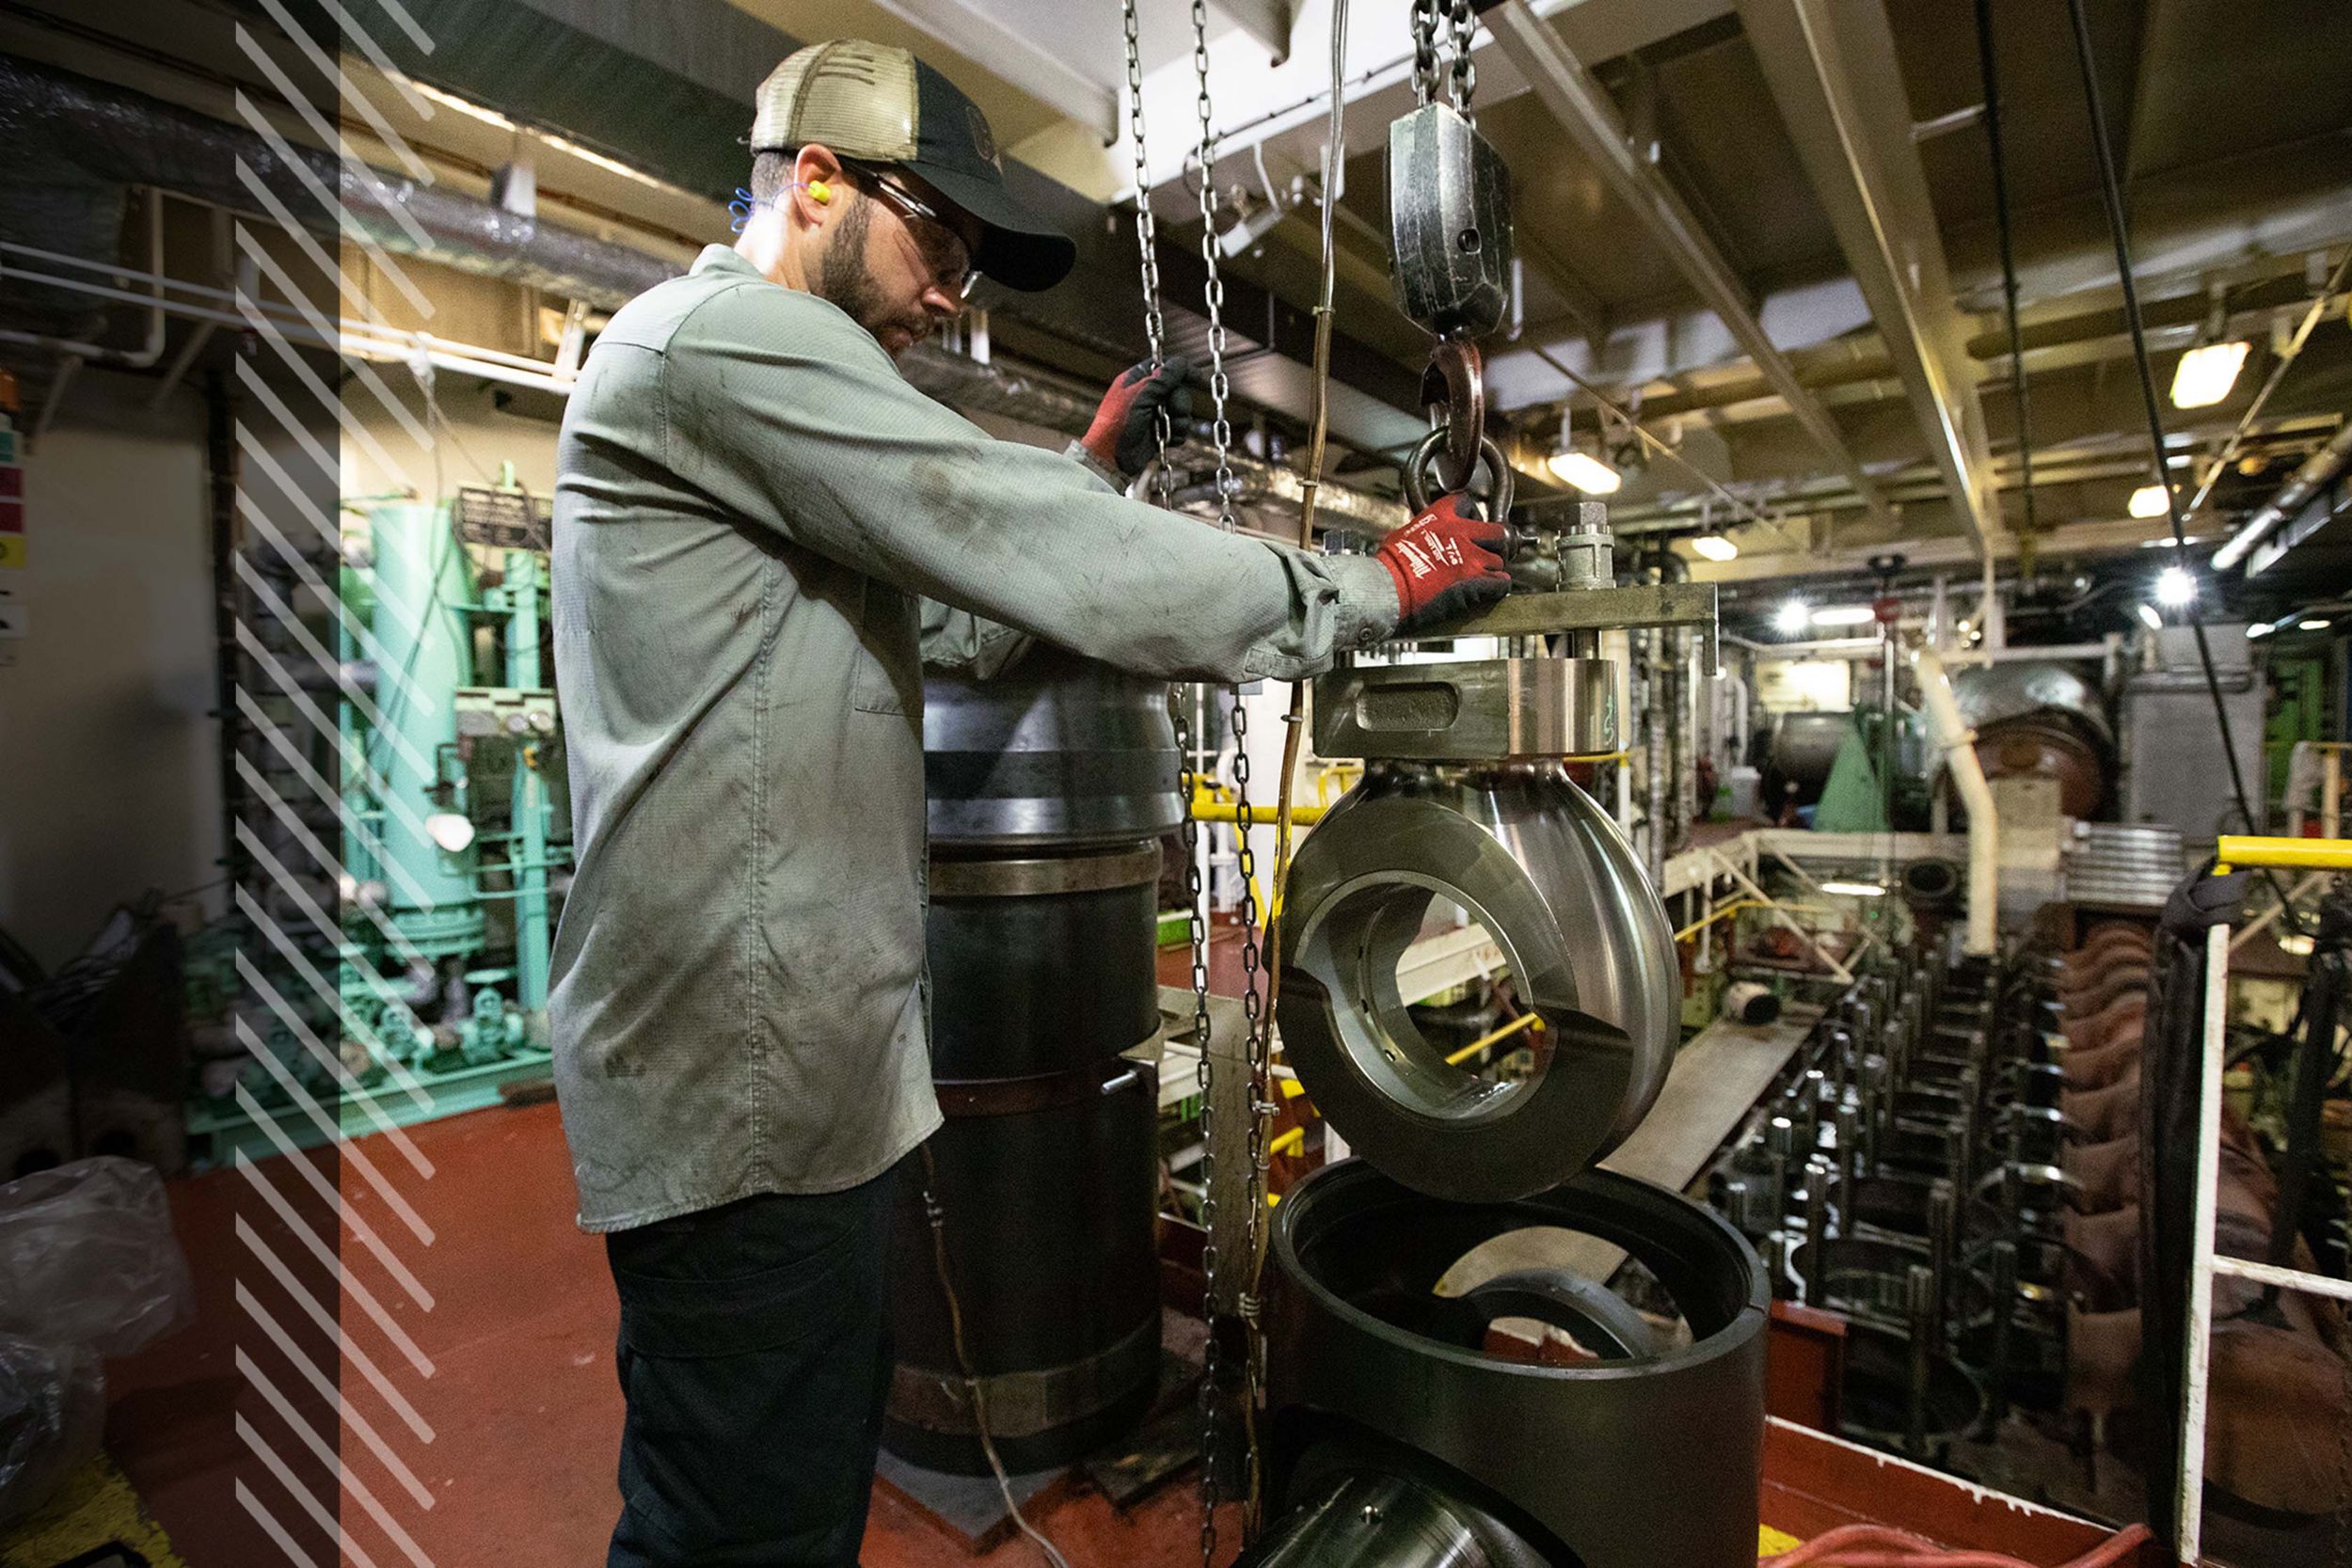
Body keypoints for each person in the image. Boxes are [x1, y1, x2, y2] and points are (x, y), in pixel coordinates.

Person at [548, 38, 1511, 1568]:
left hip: (812, 1080)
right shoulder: (717, 342)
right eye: (942, 238)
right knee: (730, 1530)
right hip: (740, 1085)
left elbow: (966, 623)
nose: (955, 291)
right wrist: (1367, 581)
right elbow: (998, 524)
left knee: (790, 1505)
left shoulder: (778, 428)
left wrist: (1086, 467)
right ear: (813, 183)